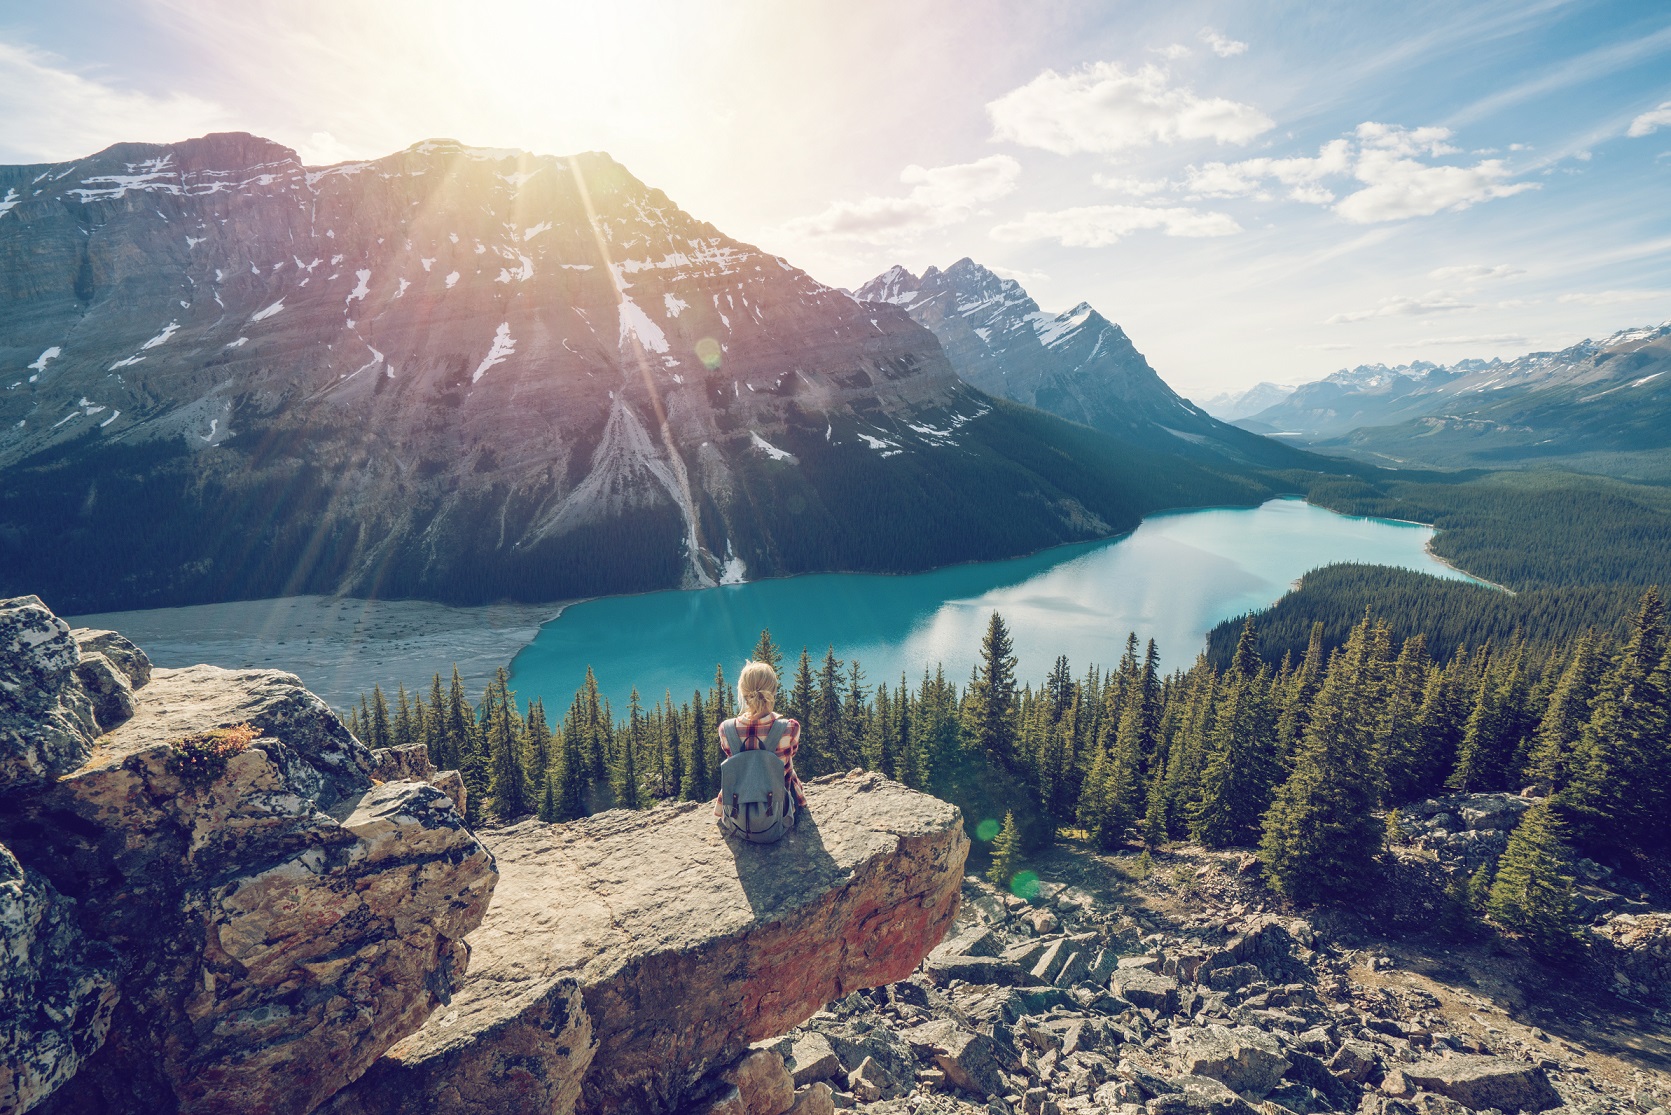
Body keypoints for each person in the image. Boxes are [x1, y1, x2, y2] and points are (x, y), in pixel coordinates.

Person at [717, 660, 808, 814]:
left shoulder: (726, 729)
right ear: (773, 692)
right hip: (779, 809)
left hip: (737, 810)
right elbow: (791, 754)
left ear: (743, 692)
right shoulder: (790, 728)